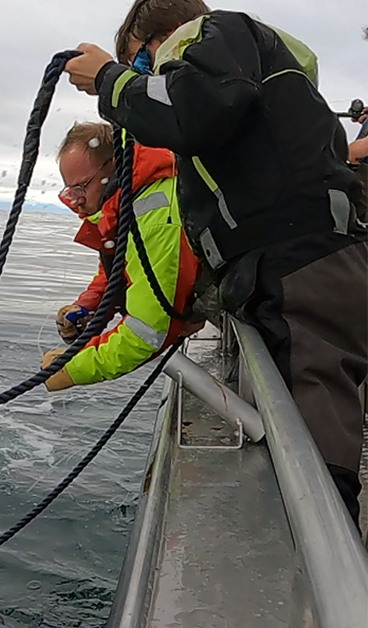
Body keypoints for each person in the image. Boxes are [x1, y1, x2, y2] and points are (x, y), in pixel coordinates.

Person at [63, 0, 368, 524]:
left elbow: (188, 109)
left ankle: (325, 574)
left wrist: (111, 81)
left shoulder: (216, 33)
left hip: (297, 268)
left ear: (166, 36)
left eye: (144, 64)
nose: (151, 79)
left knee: (317, 456)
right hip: (306, 263)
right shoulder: (262, 80)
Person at [43, 122, 200, 392]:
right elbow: (117, 270)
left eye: (81, 187)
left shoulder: (154, 218)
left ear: (112, 166)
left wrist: (72, 369)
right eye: (70, 191)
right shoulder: (128, 202)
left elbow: (149, 332)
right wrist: (86, 306)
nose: (76, 200)